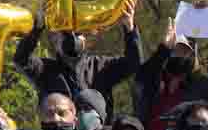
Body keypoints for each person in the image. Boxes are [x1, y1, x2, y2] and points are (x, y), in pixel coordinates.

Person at [14, 8, 142, 104]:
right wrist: (37, 28)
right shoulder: (46, 70)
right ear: (55, 42)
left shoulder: (100, 66)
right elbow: (21, 59)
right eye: (64, 35)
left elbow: (133, 63)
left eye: (77, 33)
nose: (71, 39)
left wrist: (129, 28)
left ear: (85, 39)